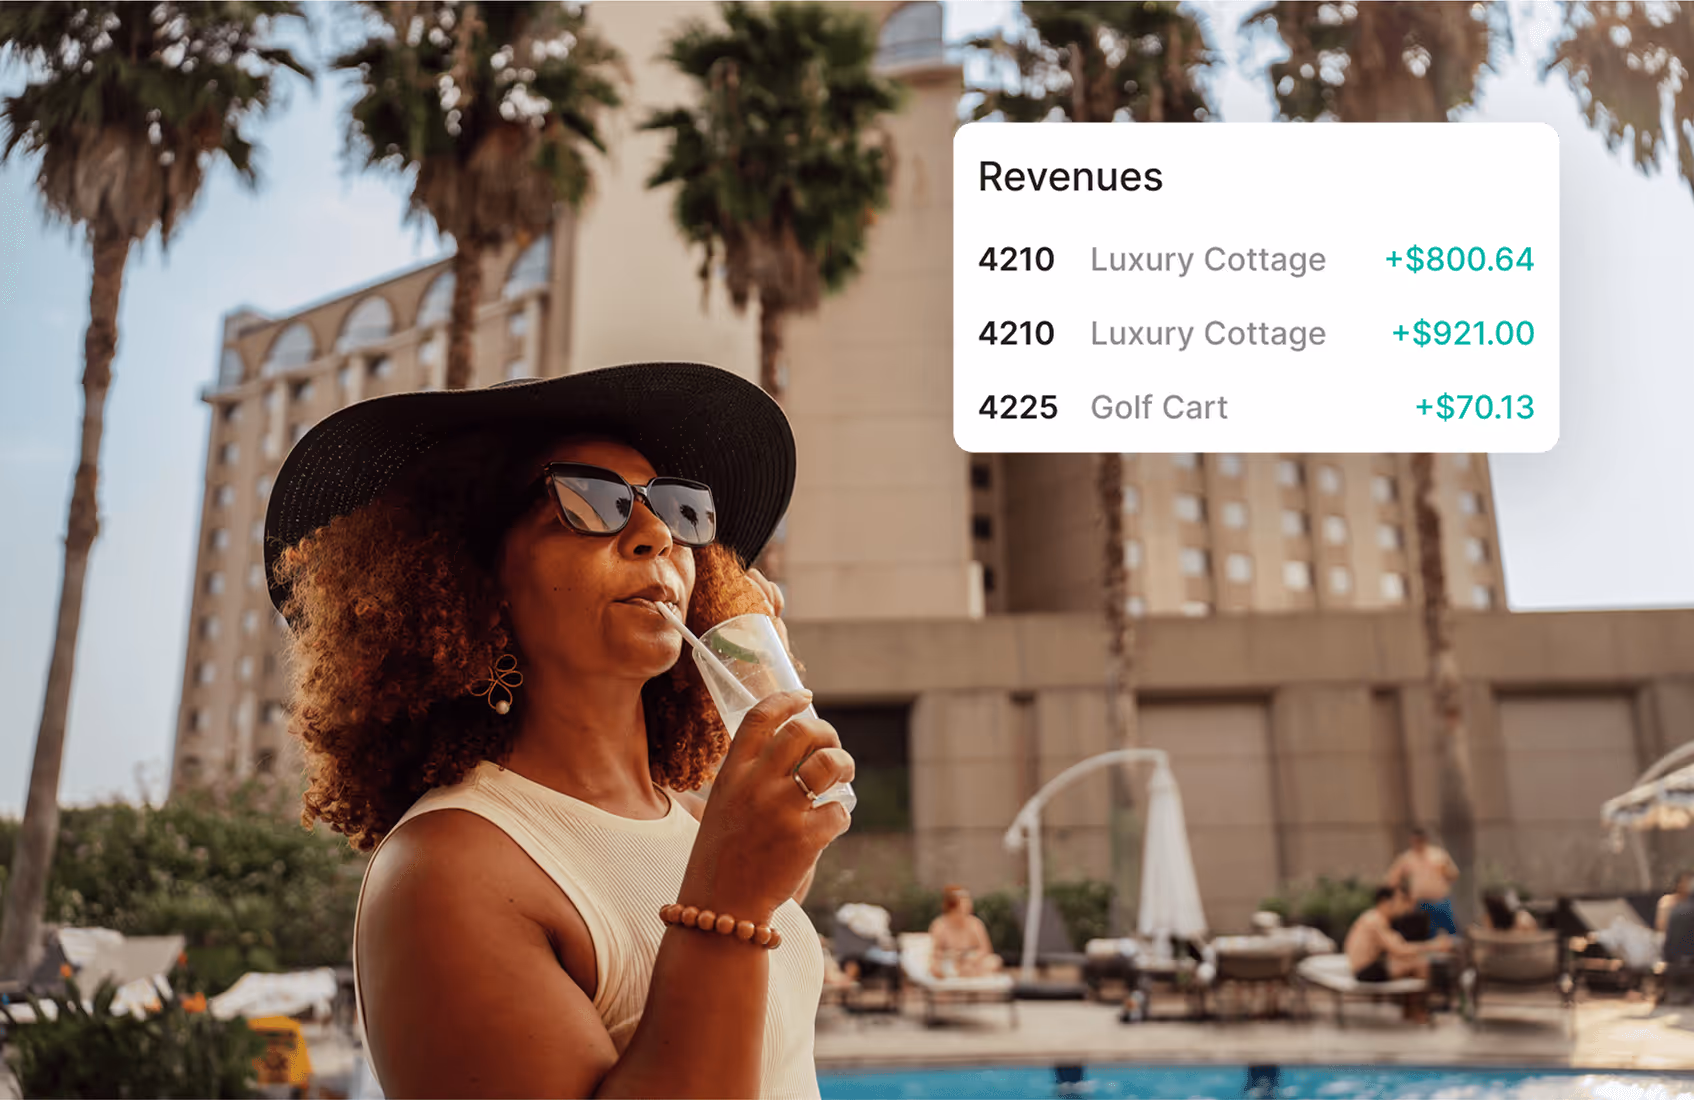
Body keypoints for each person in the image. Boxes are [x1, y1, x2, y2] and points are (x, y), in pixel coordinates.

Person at [265, 364, 855, 1098]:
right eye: (588, 502)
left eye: (675, 506)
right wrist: (728, 902)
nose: (654, 534)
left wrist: (782, 816)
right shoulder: (446, 869)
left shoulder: (701, 824)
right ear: (471, 576)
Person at [1344, 886, 1452, 1022]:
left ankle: (1410, 1009)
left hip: (1369, 967)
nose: (1402, 905)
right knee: (1421, 965)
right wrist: (1433, 946)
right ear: (1385, 902)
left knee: (1414, 960)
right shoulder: (1375, 921)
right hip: (1365, 971)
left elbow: (1400, 948)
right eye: (1399, 900)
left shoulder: (1374, 918)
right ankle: (1415, 1010)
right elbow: (1400, 949)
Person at [1386, 826, 1461, 937]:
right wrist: (1403, 895)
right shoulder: (1407, 857)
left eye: (1420, 840)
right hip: (1419, 902)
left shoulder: (1438, 854)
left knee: (1451, 930)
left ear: (1425, 839)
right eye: (1415, 840)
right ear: (1411, 841)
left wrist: (1445, 871)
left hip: (1439, 900)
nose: (1417, 843)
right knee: (1424, 933)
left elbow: (1454, 874)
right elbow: (1392, 879)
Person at [927, 886, 1005, 978]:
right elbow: (934, 951)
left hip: (972, 963)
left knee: (994, 961)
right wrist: (950, 955)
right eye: (963, 906)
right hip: (948, 962)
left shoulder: (975, 924)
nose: (968, 907)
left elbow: (986, 949)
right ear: (952, 908)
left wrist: (970, 957)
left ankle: (970, 974)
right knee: (935, 967)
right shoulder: (939, 925)